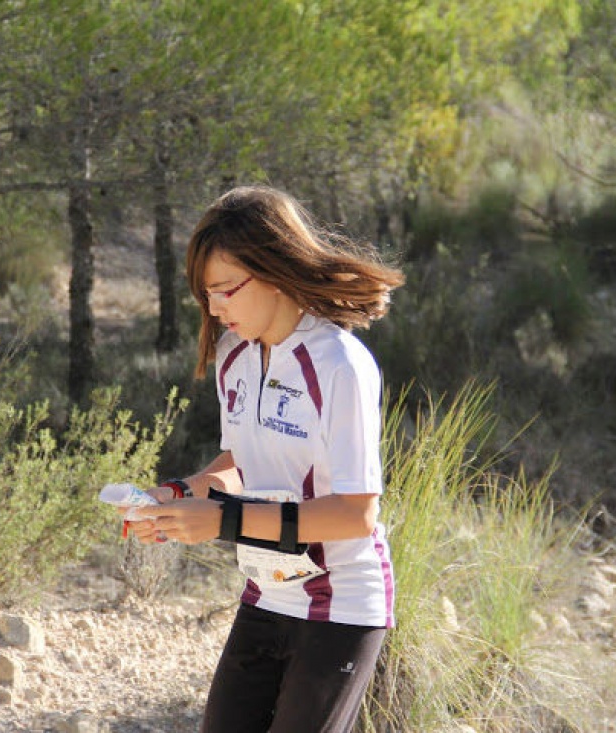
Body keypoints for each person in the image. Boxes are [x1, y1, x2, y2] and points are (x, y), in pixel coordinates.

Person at [122, 184, 406, 733]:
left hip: (340, 606)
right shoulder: (235, 355)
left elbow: (355, 514)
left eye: (227, 288)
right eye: (206, 293)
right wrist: (177, 497)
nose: (214, 306)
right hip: (267, 592)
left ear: (273, 272)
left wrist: (223, 520)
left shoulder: (340, 366)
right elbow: (240, 459)